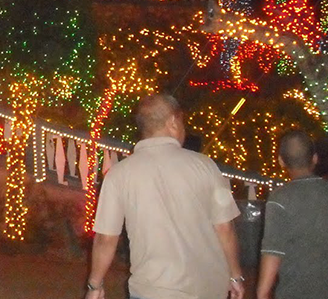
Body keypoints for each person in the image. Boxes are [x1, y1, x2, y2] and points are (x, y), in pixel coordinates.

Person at [86, 94, 245, 299]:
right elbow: (225, 228)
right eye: (182, 122)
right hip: (208, 289)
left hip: (153, 290)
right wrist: (235, 276)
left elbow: (106, 239)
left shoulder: (118, 174)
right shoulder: (205, 166)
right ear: (172, 122)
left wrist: (95, 285)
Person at [257, 130, 328, 299]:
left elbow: (272, 252)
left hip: (295, 292)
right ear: (315, 158)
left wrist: (262, 294)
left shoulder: (280, 199)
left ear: (281, 161)